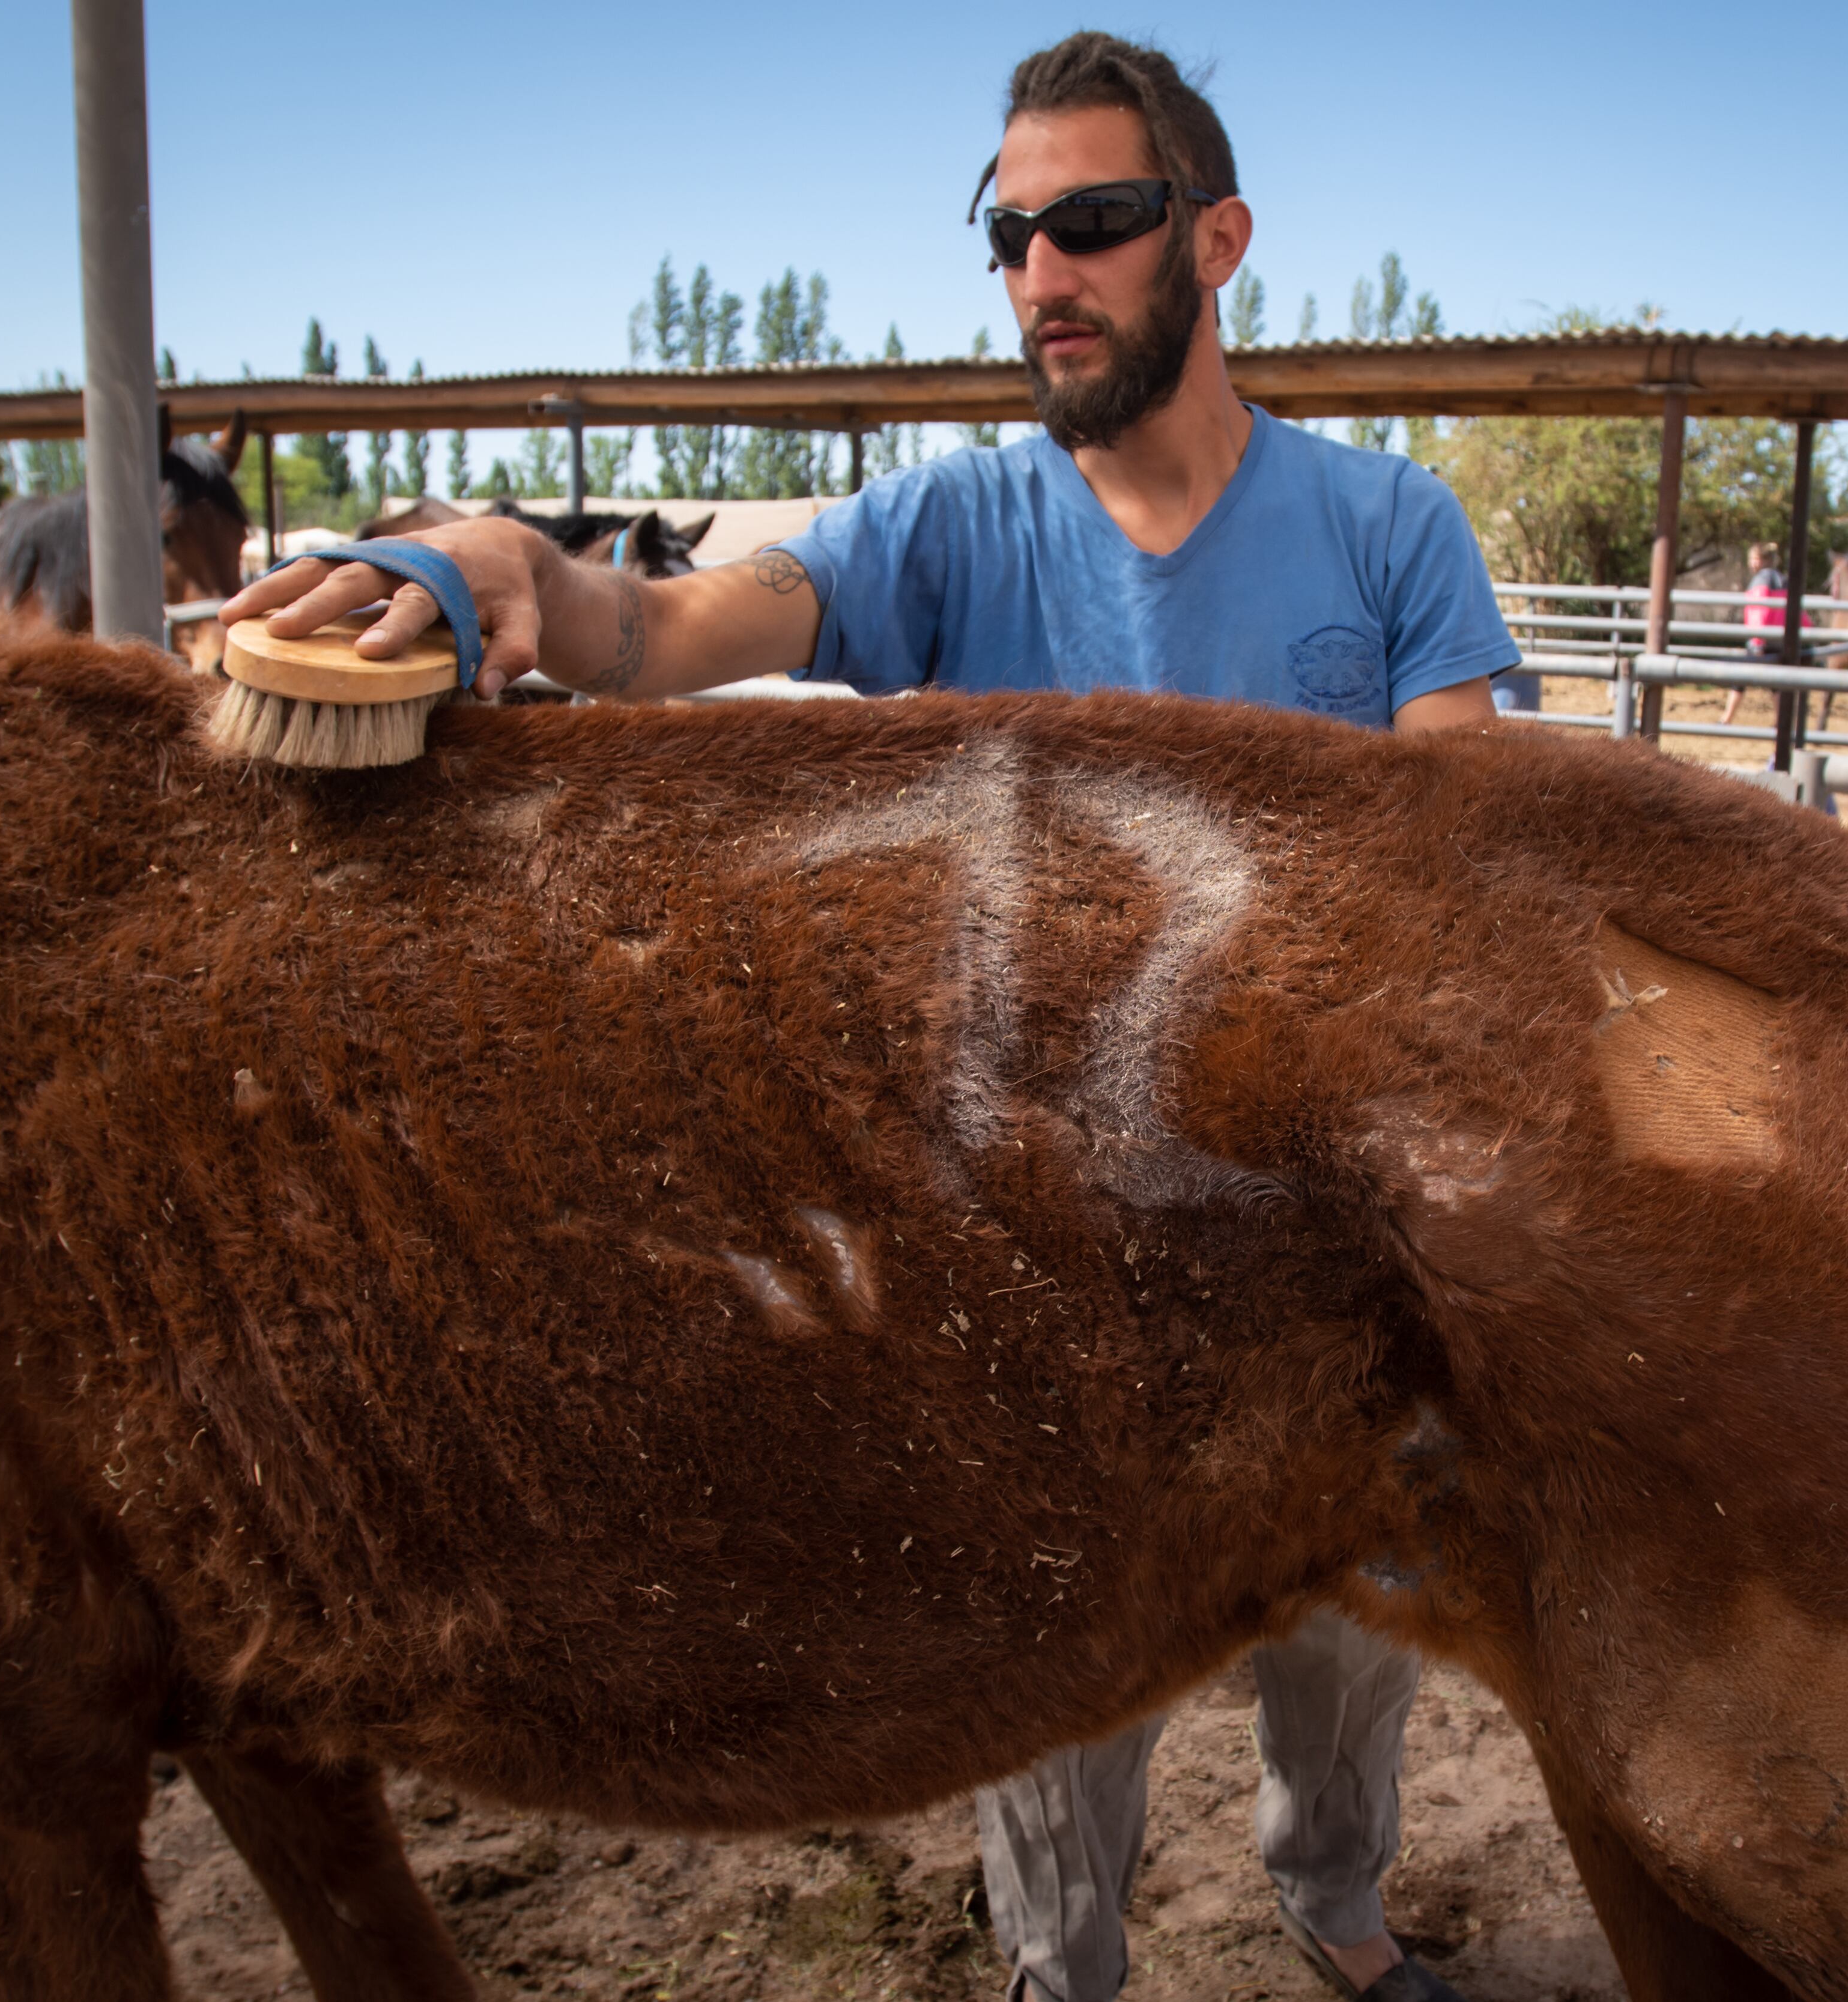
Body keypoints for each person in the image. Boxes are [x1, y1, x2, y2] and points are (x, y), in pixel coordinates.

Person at [223, 31, 1513, 2002]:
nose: (1042, 274)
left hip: (1332, 1245)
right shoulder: (946, 529)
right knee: (1061, 1690)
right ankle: (1053, 1973)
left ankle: (1332, 1910)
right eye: (1009, 236)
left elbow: (1466, 846)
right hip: (1054, 1277)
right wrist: (498, 564)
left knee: (1355, 1643)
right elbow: (657, 633)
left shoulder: (1386, 529)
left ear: (1218, 238)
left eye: (1093, 221)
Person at [1716, 539, 1789, 726]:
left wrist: (1757, 640)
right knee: (1777, 684)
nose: (1753, 563)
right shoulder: (1782, 579)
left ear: (1765, 560)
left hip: (1762, 639)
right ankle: (1782, 720)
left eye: (1755, 559)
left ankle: (1727, 718)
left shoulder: (1762, 580)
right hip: (1779, 639)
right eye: (1752, 559)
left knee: (1740, 678)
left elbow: (1759, 610)